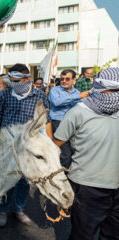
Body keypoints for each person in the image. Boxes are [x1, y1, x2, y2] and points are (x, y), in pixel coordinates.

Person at [53, 68, 119, 240]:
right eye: (109, 90)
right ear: (97, 88)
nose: (113, 95)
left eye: (117, 91)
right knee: (83, 235)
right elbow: (55, 145)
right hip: (87, 188)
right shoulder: (78, 112)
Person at [0, 63, 51, 227]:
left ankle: (18, 209)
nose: (13, 83)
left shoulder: (40, 96)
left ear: (26, 79)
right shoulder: (4, 95)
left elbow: (45, 121)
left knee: (25, 182)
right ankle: (3, 210)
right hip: (8, 146)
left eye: (16, 80)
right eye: (10, 80)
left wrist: (49, 145)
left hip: (29, 147)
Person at [49, 70, 89, 168]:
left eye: (67, 79)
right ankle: (59, 176)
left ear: (74, 80)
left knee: (74, 152)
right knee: (65, 155)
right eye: (62, 79)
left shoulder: (77, 92)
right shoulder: (55, 90)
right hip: (58, 123)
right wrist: (77, 97)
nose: (64, 81)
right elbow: (57, 102)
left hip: (74, 124)